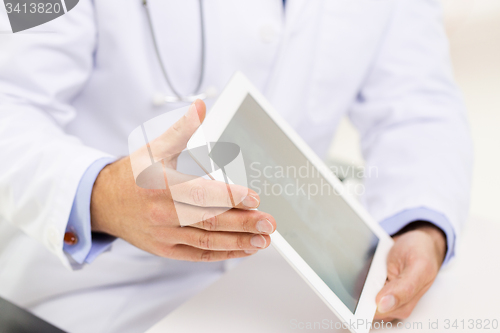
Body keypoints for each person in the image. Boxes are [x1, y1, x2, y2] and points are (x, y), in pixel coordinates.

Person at [0, 1, 472, 332]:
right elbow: (10, 101)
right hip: (96, 292)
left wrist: (420, 224)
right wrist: (103, 198)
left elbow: (416, 103)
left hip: (277, 281)